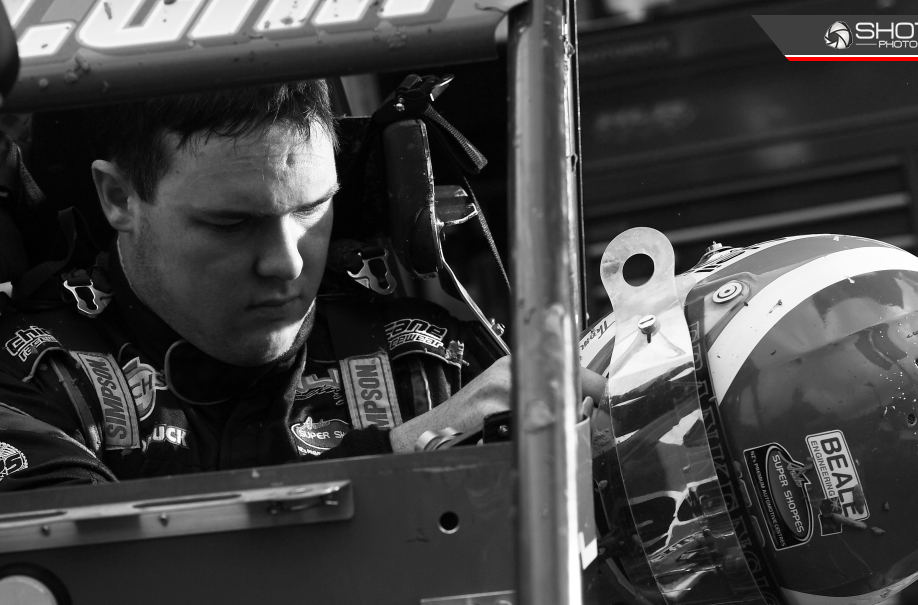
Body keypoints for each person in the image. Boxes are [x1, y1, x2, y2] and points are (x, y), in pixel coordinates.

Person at [0, 79, 598, 490]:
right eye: (232, 224)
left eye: (312, 209)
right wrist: (405, 455)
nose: (286, 263)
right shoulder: (35, 375)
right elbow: (103, 593)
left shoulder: (427, 368)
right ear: (119, 197)